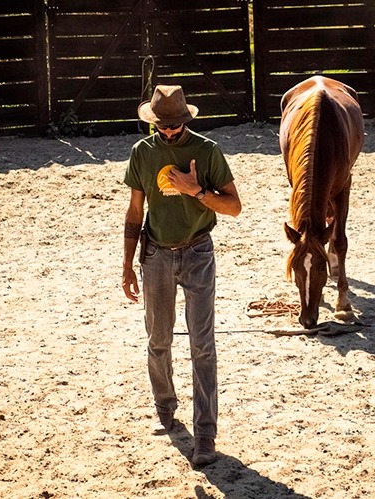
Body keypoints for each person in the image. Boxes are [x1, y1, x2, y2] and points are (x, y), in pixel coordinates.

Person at [121, 85, 242, 466]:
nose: (171, 132)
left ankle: (205, 435)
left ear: (186, 120)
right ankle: (165, 407)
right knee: (157, 339)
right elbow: (134, 212)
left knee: (202, 345)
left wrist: (197, 190)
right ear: (155, 123)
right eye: (165, 126)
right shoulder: (142, 153)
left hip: (198, 253)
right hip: (155, 255)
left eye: (177, 126)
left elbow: (235, 207)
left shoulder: (207, 151)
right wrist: (127, 264)